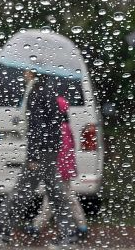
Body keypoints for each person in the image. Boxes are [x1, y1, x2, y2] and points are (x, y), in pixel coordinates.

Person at [0, 70, 78, 248]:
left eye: (26, 70)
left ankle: (1, 232)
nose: (24, 73)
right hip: (49, 150)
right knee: (53, 193)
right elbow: (51, 124)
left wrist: (33, 156)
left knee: (23, 193)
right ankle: (69, 235)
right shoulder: (48, 89)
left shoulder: (36, 92)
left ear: (33, 72)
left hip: (41, 152)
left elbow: (37, 127)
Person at [24, 95, 89, 239]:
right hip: (61, 168)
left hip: (59, 169)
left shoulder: (59, 128)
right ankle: (39, 225)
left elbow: (62, 152)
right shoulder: (64, 126)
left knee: (63, 197)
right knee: (58, 197)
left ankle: (39, 226)